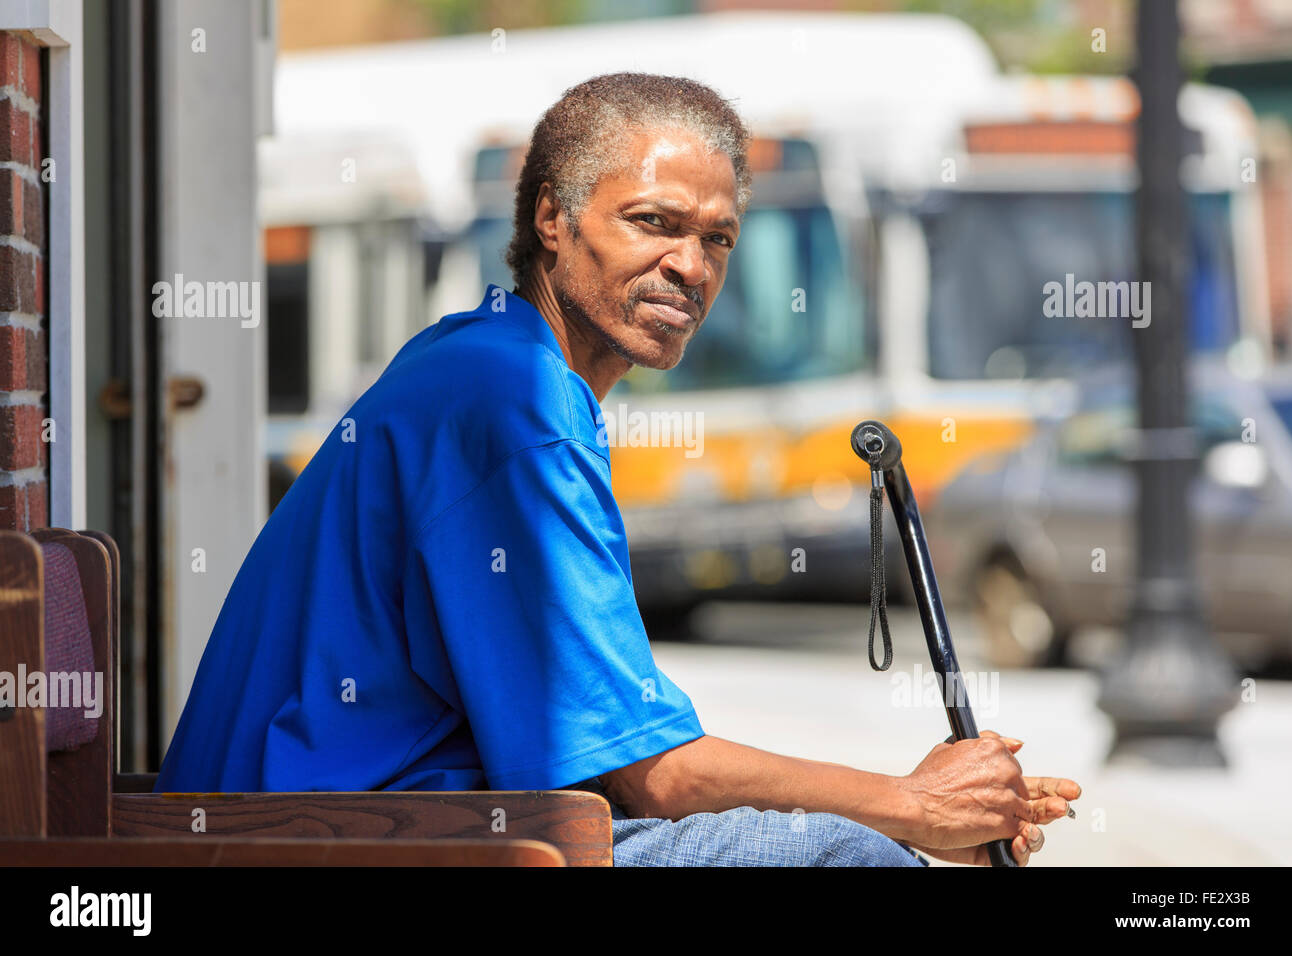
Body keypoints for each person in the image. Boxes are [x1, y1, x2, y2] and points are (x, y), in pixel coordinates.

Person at [156, 72, 1079, 866]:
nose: (691, 266)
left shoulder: (489, 361)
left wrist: (922, 806)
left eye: (718, 238)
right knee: (840, 855)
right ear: (552, 219)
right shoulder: (513, 401)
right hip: (328, 839)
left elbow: (618, 752)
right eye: (654, 223)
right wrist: (909, 805)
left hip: (385, 823)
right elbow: (656, 775)